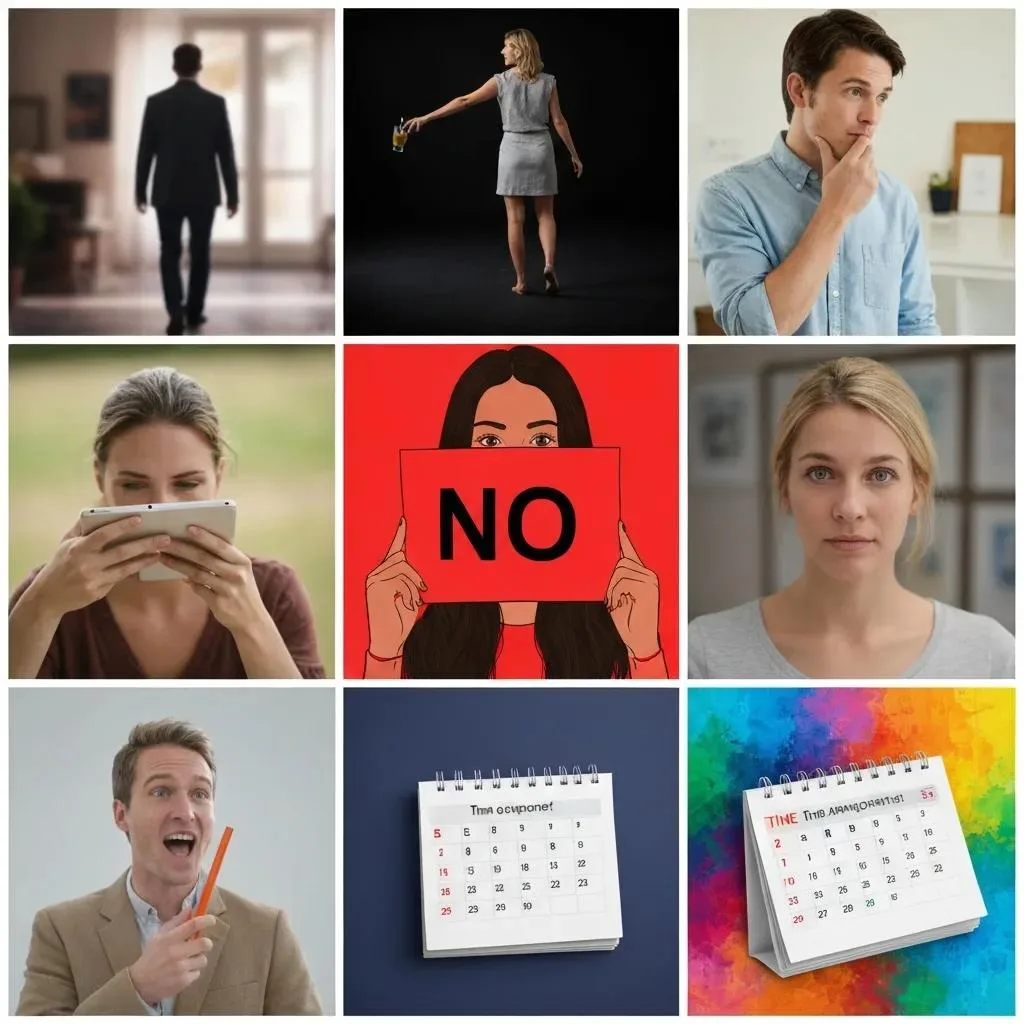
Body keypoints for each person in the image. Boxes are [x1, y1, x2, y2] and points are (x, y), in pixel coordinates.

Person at [689, 357, 1014, 678]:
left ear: (916, 491)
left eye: (881, 475)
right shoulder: (704, 655)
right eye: (820, 473)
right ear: (785, 486)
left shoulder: (990, 659)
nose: (850, 507)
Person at [363, 345, 668, 679]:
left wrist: (644, 651)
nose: (516, 464)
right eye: (490, 440)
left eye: (541, 440)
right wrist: (384, 651)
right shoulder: (420, 634)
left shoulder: (612, 628)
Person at [8, 367, 323, 679]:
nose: (161, 505)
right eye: (133, 485)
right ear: (99, 478)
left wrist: (252, 624)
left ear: (219, 476)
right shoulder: (46, 596)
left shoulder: (274, 595)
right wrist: (41, 608)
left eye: (186, 484)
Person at [15, 719, 322, 1014]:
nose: (186, 812)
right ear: (121, 815)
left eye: (200, 794)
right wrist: (138, 987)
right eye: (161, 792)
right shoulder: (59, 930)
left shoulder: (268, 931)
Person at [693, 10, 940, 336]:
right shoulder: (728, 198)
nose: (872, 116)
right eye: (855, 91)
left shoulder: (896, 200)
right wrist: (835, 210)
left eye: (881, 97)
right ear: (800, 91)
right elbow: (755, 332)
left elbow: (917, 326)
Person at [401, 28, 583, 296]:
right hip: (541, 148)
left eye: (507, 46)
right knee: (545, 214)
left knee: (515, 219)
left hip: (512, 150)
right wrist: (574, 153)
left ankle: (521, 281)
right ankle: (549, 265)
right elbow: (558, 121)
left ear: (518, 50)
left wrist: (426, 118)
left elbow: (464, 101)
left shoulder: (501, 81)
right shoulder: (548, 82)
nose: (502, 51)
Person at [135, 43, 240, 336]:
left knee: (169, 252)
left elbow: (146, 151)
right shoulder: (214, 103)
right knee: (200, 253)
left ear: (174, 66)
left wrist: (140, 190)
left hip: (166, 192)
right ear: (199, 66)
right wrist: (232, 194)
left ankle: (175, 312)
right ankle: (194, 311)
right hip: (203, 192)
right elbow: (225, 153)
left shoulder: (156, 103)